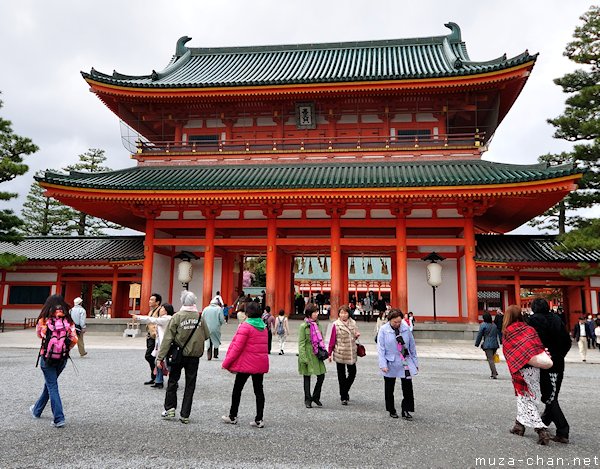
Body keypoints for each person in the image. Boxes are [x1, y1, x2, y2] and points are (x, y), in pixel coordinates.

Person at [156, 291, 210, 424]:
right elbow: (207, 335)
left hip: (178, 354)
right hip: (194, 356)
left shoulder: (177, 317)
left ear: (182, 302)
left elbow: (168, 338)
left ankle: (170, 408)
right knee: (190, 384)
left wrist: (160, 356)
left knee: (173, 380)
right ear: (194, 302)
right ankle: (185, 414)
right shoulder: (199, 317)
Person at [502, 304, 551, 445]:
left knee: (525, 398)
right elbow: (537, 347)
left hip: (520, 369)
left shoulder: (508, 331)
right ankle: (519, 426)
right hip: (534, 368)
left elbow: (509, 351)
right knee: (527, 397)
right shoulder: (530, 329)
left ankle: (541, 429)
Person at [528, 297, 572, 444]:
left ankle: (563, 430)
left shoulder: (534, 320)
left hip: (545, 363)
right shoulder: (557, 319)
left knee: (549, 397)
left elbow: (532, 342)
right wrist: (559, 355)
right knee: (552, 394)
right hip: (559, 362)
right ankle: (544, 422)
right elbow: (567, 341)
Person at [31, 295, 78, 428]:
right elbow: (74, 339)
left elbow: (39, 335)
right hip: (62, 359)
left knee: (52, 386)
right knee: (50, 384)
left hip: (47, 357)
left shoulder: (44, 320)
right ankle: (36, 410)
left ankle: (59, 418)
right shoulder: (68, 321)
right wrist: (65, 348)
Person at [221, 301, 269, 428]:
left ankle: (233, 416)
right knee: (259, 391)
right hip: (259, 364)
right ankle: (259, 419)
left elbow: (237, 347)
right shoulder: (263, 327)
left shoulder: (245, 326)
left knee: (237, 390)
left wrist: (226, 363)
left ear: (247, 312)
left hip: (246, 364)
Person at [377, 309, 418, 420]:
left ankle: (406, 409)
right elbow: (381, 349)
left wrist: (415, 362)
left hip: (405, 360)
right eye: (395, 322)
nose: (397, 324)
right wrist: (383, 364)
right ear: (390, 320)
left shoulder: (406, 329)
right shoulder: (383, 330)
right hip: (390, 360)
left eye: (399, 322)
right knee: (389, 386)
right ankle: (391, 409)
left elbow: (412, 346)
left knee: (407, 386)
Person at [133, 303, 174, 389]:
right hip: (161, 343)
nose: (160, 310)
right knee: (159, 361)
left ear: (166, 310)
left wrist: (138, 317)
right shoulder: (167, 319)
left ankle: (168, 381)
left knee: (165, 362)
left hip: (164, 344)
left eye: (162, 308)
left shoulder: (166, 319)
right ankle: (159, 380)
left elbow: (151, 319)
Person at [328, 305, 360, 405]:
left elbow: (355, 334)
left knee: (353, 373)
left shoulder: (353, 323)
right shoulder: (335, 324)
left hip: (351, 352)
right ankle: (343, 397)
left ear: (348, 313)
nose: (343, 315)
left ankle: (344, 391)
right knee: (341, 376)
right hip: (340, 352)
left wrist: (356, 335)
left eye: (345, 313)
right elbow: (332, 340)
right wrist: (329, 353)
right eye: (341, 313)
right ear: (339, 314)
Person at [298, 303, 326, 408]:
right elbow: (301, 343)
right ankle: (307, 399)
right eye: (314, 312)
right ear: (309, 314)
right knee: (307, 376)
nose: (316, 314)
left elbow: (321, 339)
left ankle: (316, 396)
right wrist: (303, 357)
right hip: (307, 353)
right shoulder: (303, 326)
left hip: (316, 353)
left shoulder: (318, 325)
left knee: (321, 375)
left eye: (317, 312)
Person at [142, 293, 162, 385]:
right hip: (150, 336)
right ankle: (154, 377)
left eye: (152, 300)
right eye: (149, 299)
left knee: (149, 356)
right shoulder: (151, 311)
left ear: (157, 302)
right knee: (151, 356)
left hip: (156, 337)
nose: (149, 301)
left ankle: (157, 376)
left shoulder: (159, 311)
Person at [474, 312, 501, 379]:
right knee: (492, 358)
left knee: (490, 359)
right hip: (495, 344)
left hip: (487, 344)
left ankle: (494, 373)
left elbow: (480, 335)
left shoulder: (483, 325)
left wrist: (477, 343)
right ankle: (494, 371)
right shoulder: (494, 325)